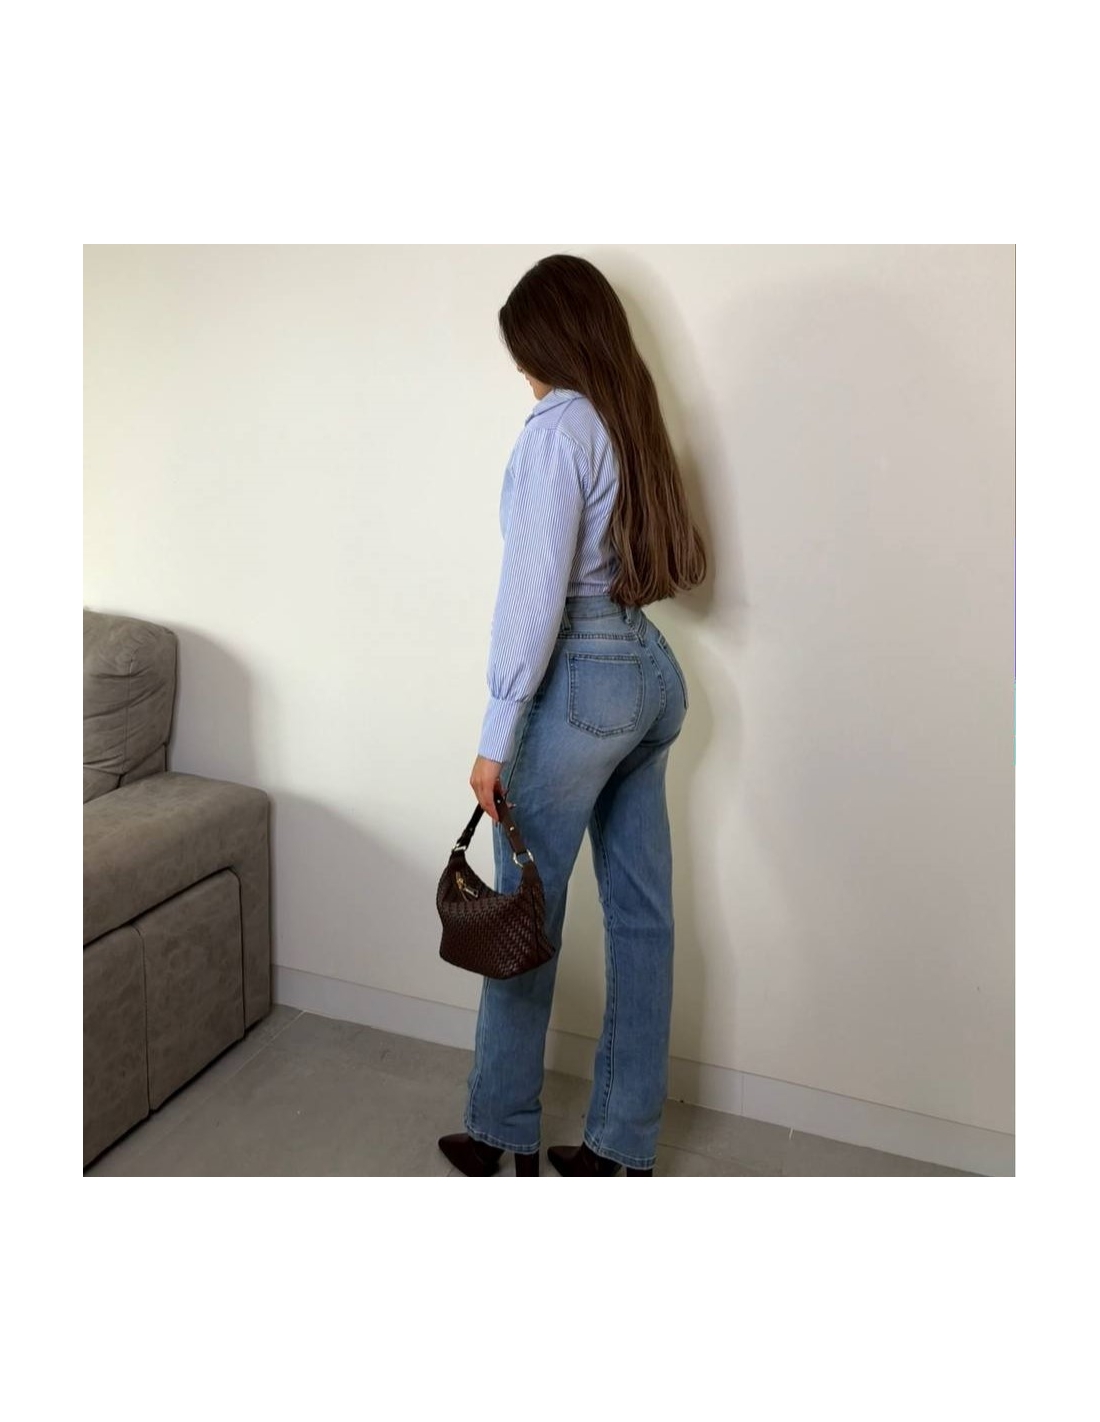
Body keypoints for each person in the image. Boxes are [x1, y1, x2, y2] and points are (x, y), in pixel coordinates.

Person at [438, 254, 707, 1178]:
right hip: (648, 672)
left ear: (546, 342)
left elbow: (531, 600)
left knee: (525, 908)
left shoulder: (557, 430)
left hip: (581, 678)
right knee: (642, 916)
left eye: (523, 351)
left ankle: (500, 1128)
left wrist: (495, 736)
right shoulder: (630, 417)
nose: (522, 370)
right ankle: (622, 1146)